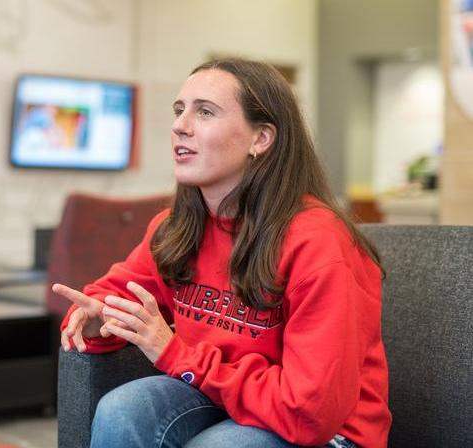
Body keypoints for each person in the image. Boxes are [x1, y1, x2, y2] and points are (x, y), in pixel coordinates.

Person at [52, 58, 391, 448]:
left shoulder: (319, 242)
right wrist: (95, 320)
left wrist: (177, 354)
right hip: (227, 398)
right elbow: (112, 296)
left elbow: (309, 412)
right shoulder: (175, 227)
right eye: (180, 110)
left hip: (327, 430)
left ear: (261, 138)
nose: (180, 125)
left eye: (205, 112)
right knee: (122, 410)